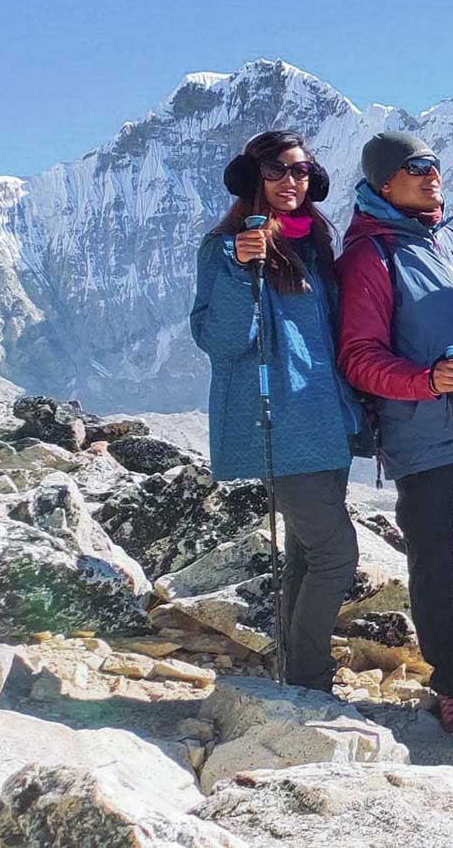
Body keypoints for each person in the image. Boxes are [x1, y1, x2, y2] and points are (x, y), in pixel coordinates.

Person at [336, 130, 453, 733]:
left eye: (434, 165)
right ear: (383, 182)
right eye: (414, 167)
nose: (430, 174)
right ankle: (452, 680)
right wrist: (425, 381)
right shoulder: (372, 255)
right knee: (435, 559)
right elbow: (358, 354)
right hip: (421, 433)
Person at [190, 130, 363, 694]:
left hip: (326, 420)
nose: (292, 182)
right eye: (278, 170)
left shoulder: (314, 246)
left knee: (306, 555)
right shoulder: (223, 248)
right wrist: (244, 269)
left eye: (302, 171)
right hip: (283, 425)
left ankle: (295, 675)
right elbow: (221, 342)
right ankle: (312, 681)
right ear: (252, 178)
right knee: (337, 555)